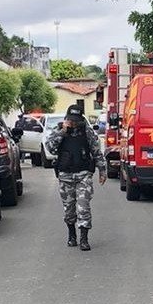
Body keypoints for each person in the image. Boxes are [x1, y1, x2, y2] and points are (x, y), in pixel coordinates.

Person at [46, 106, 106, 250]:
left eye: (76, 120)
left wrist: (102, 170)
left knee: (83, 206)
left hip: (83, 175)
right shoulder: (59, 130)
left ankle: (84, 238)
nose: (73, 123)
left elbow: (96, 151)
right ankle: (72, 235)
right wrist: (63, 132)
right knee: (69, 209)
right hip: (65, 176)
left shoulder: (86, 131)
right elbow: (50, 148)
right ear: (66, 119)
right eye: (71, 120)